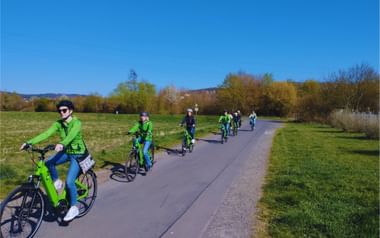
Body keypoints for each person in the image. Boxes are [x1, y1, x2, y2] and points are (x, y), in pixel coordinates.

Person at [20, 100, 86, 222]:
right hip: (67, 152)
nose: (61, 112)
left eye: (64, 110)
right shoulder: (58, 124)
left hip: (78, 155)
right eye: (59, 110)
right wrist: (29, 142)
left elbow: (71, 136)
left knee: (70, 181)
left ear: (71, 111)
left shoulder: (77, 123)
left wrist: (62, 143)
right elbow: (46, 133)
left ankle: (74, 207)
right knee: (48, 163)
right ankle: (56, 181)